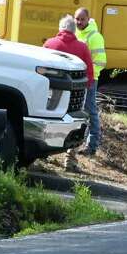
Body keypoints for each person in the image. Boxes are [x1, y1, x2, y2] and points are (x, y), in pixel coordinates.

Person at [43, 14, 95, 162]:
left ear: (60, 28)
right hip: (75, 98)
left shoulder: (49, 43)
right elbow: (89, 73)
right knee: (76, 124)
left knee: (49, 119)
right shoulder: (82, 47)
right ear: (74, 31)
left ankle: (44, 153)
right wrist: (87, 88)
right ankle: (70, 159)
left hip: (52, 94)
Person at [75, 7, 105, 154]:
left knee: (90, 111)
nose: (79, 22)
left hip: (90, 80)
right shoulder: (76, 33)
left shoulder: (95, 36)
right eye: (77, 19)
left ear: (88, 19)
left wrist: (89, 76)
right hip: (78, 79)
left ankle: (92, 145)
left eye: (82, 19)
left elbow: (100, 62)